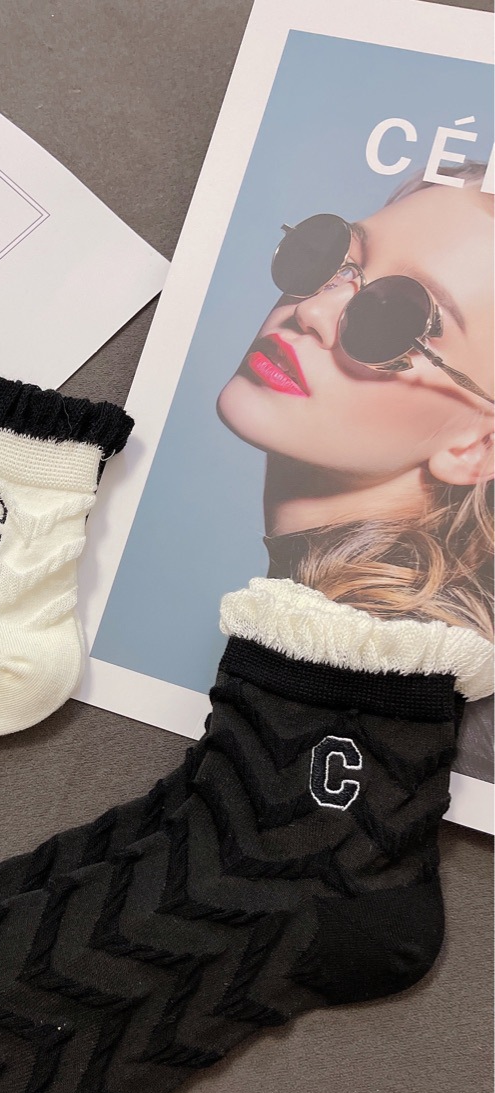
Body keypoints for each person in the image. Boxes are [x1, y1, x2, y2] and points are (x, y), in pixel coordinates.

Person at [216, 161, 494, 777]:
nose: (314, 311)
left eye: (397, 318)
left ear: (478, 447)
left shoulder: (397, 696)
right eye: (334, 257)